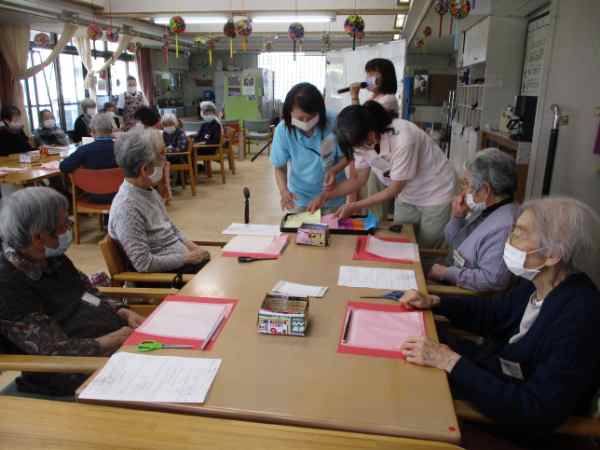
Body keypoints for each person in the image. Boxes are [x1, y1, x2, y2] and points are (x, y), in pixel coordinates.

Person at [398, 197, 600, 436]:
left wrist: (450, 362)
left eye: (518, 234)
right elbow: (493, 313)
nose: (508, 241)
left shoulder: (581, 316)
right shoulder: (538, 282)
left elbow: (536, 410)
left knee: (405, 397)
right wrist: (436, 301)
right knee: (414, 343)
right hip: (498, 373)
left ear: (552, 255)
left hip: (513, 423)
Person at [0, 187, 143, 396]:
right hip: (72, 372)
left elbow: (85, 291)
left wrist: (121, 311)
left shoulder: (50, 256)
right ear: (38, 236)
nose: (69, 228)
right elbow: (54, 349)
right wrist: (116, 339)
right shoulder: (8, 285)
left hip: (114, 346)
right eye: (62, 226)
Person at [310, 101, 455, 248]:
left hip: (436, 191)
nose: (359, 151)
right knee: (403, 241)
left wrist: (353, 206)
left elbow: (393, 190)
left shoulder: (403, 139)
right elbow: (359, 180)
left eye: (359, 146)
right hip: (407, 194)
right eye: (356, 148)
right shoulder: (361, 142)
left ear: (371, 134)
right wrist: (325, 196)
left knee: (426, 247)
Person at [108, 129, 210, 273]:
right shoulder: (127, 208)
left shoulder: (148, 190)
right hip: (165, 277)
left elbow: (170, 229)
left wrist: (195, 249)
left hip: (182, 263)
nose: (165, 162)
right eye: (161, 157)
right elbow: (144, 264)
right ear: (145, 170)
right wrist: (188, 258)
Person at [428, 148, 520, 292]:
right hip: (450, 273)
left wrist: (446, 273)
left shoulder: (505, 226)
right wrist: (457, 217)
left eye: (468, 185)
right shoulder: (486, 208)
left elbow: (493, 280)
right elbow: (454, 241)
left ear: (485, 190)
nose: (464, 191)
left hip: (463, 294)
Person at [270, 83, 347, 214]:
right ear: (289, 114)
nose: (305, 123)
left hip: (334, 196)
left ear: (320, 113)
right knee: (298, 233)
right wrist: (284, 191)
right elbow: (279, 167)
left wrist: (334, 171)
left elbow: (347, 157)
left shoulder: (335, 122)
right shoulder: (283, 131)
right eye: (300, 118)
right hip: (300, 197)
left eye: (311, 118)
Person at [60, 113, 118, 203]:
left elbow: (64, 167)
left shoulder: (84, 150)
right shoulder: (122, 148)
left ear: (92, 131)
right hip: (119, 195)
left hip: (94, 195)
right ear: (112, 129)